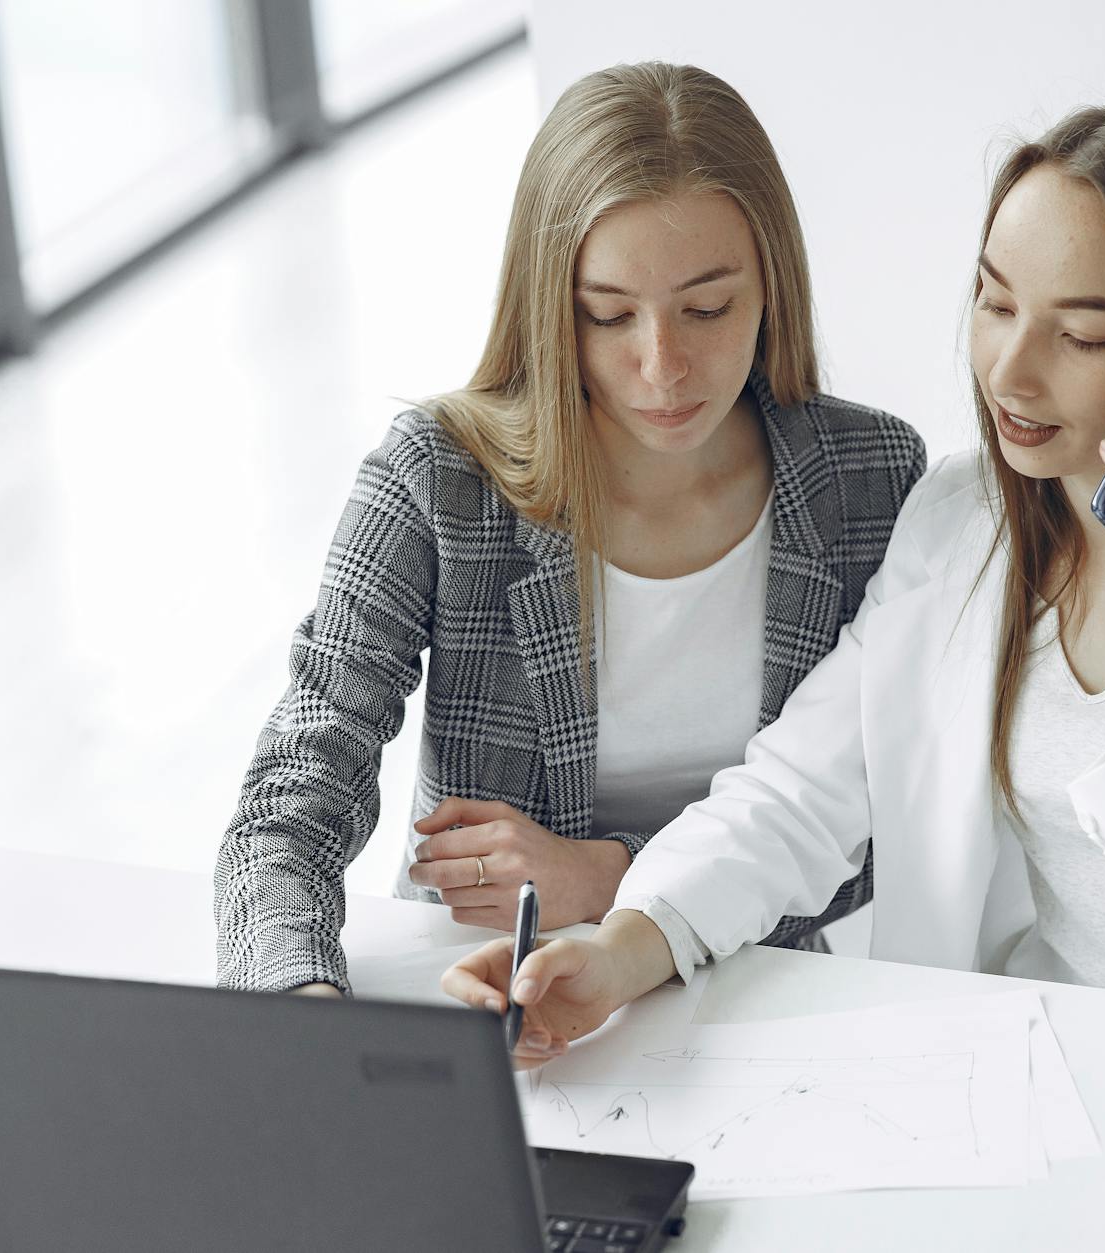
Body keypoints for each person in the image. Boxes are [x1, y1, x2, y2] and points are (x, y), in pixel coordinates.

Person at [444, 96, 1105, 1053]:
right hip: (1069, 1063)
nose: (1009, 370)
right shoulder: (960, 520)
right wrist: (622, 949)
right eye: (993, 305)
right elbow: (799, 790)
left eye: (1079, 334)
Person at [214, 62, 925, 996]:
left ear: (772, 287)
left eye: (707, 308)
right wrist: (300, 1001)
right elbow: (287, 807)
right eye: (608, 314)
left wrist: (611, 876)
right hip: (478, 987)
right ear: (553, 306)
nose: (662, 366)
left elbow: (891, 829)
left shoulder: (869, 480)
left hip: (756, 1001)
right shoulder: (435, 482)